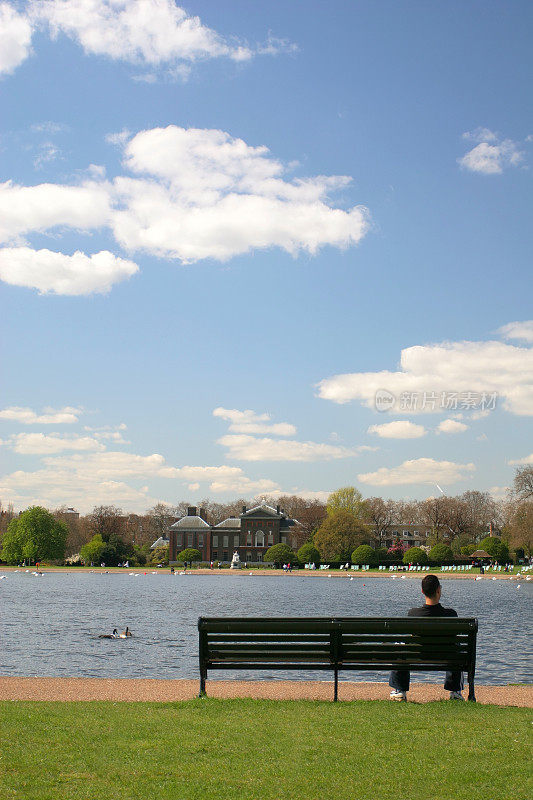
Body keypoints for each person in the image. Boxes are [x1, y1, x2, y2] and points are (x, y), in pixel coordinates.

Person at [389, 574, 465, 702]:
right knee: (456, 650)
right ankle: (455, 691)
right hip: (446, 655)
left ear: (422, 591)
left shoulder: (413, 614)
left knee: (400, 647)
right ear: (438, 590)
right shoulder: (451, 614)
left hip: (419, 654)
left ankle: (400, 691)